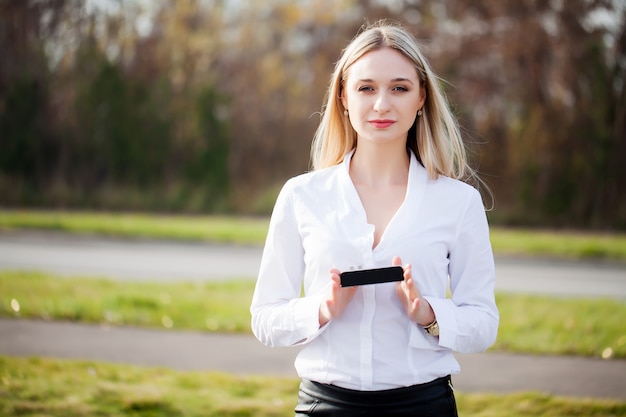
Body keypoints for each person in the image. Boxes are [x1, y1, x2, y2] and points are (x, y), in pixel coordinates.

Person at [250, 20, 498, 417]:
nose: (382, 104)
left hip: (424, 405)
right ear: (344, 97)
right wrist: (322, 309)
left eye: (399, 88)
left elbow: (484, 323)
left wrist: (429, 314)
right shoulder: (301, 196)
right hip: (324, 406)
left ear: (421, 99)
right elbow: (264, 318)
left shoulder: (459, 203)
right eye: (366, 88)